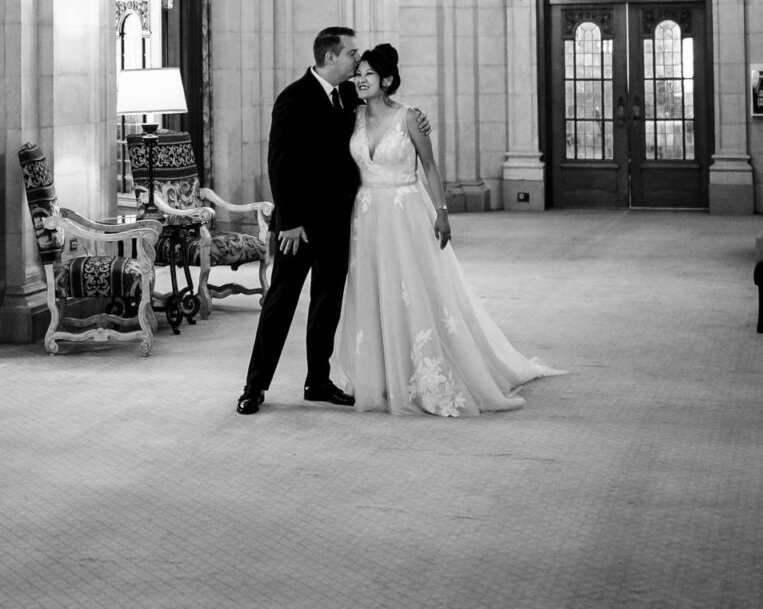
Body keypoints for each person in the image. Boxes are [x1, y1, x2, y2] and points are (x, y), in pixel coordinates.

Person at [331, 43, 563, 416]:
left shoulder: (409, 118)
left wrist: (442, 212)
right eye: (358, 73)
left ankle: (429, 373)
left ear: (387, 80)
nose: (360, 79)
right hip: (367, 215)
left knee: (415, 290)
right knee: (375, 291)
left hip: (405, 210)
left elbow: (430, 167)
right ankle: (384, 376)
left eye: (369, 74)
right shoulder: (352, 116)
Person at [236, 27, 364, 415]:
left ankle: (317, 382)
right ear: (330, 58)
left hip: (338, 222)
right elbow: (280, 164)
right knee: (281, 303)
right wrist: (289, 221)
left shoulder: (348, 96)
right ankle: (254, 387)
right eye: (352, 54)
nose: (356, 61)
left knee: (327, 305)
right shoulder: (293, 98)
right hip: (299, 227)